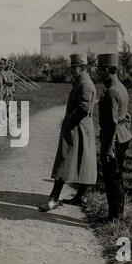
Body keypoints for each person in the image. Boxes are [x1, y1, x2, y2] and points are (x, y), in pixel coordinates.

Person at [39, 54, 97, 212]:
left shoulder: (85, 84)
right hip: (81, 129)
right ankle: (81, 196)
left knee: (64, 162)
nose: (72, 70)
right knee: (84, 161)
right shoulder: (82, 81)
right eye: (72, 67)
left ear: (83, 67)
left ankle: (54, 199)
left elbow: (83, 108)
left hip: (77, 128)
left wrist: (68, 122)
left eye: (74, 67)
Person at [97, 53, 132, 221]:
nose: (97, 72)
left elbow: (111, 123)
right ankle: (117, 213)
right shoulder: (120, 87)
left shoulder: (111, 91)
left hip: (114, 139)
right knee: (116, 177)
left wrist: (108, 148)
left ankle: (114, 216)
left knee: (112, 179)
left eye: (98, 69)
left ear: (106, 70)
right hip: (122, 136)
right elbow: (125, 115)